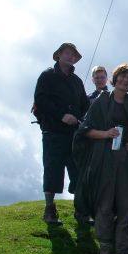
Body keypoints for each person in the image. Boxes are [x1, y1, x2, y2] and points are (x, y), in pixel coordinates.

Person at [73, 64, 128, 254]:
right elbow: (84, 131)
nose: (125, 81)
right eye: (122, 77)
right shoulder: (100, 103)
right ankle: (106, 249)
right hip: (104, 160)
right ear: (115, 78)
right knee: (104, 204)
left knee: (126, 206)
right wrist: (106, 134)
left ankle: (124, 250)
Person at [34, 42, 89, 225]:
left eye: (73, 55)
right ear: (59, 55)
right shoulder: (47, 76)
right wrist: (61, 115)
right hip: (53, 132)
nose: (70, 57)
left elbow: (84, 105)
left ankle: (81, 210)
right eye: (67, 53)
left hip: (73, 134)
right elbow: (40, 100)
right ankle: (49, 209)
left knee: (78, 170)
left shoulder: (77, 81)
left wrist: (80, 119)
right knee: (52, 168)